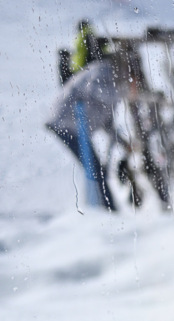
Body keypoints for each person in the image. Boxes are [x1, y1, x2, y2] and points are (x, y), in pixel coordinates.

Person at [46, 53, 129, 211]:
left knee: (97, 170)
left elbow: (107, 123)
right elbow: (94, 89)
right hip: (65, 123)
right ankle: (107, 211)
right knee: (94, 169)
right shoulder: (103, 69)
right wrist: (122, 92)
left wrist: (123, 143)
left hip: (76, 127)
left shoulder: (116, 84)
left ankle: (108, 209)